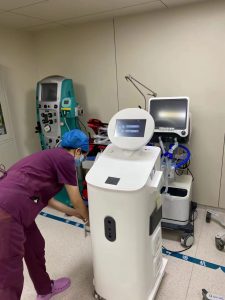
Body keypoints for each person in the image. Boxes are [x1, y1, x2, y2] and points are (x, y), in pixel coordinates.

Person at [0, 129, 89, 300]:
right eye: (82, 155)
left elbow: (46, 199)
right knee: (9, 271)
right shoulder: (67, 159)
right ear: (78, 151)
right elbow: (77, 200)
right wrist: (87, 218)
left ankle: (45, 289)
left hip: (19, 205)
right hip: (6, 209)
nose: (81, 159)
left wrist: (74, 214)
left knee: (35, 246)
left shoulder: (51, 156)